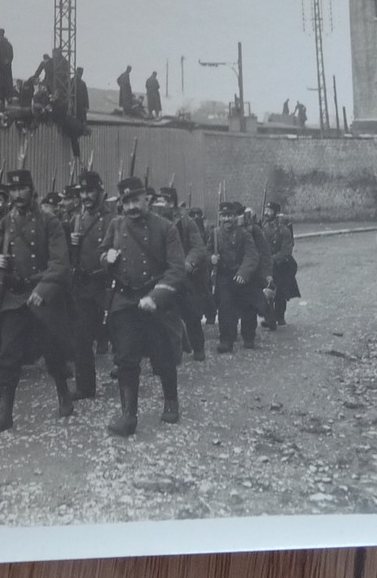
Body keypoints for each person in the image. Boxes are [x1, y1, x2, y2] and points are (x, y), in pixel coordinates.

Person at [0, 168, 73, 432]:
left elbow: (60, 264)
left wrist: (42, 291)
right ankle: (5, 414)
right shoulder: (5, 222)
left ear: (32, 190)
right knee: (7, 354)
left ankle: (63, 393)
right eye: (13, 190)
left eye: (22, 189)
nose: (18, 195)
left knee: (52, 350)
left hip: (43, 295)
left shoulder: (49, 221)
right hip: (15, 297)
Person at [100, 178, 188, 436]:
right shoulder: (115, 225)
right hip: (126, 300)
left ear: (146, 199)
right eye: (125, 202)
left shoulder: (166, 228)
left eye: (135, 200)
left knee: (163, 356)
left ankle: (171, 400)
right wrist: (107, 258)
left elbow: (176, 270)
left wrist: (156, 297)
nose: (131, 207)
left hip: (155, 300)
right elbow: (102, 252)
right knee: (126, 358)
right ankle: (129, 415)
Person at [67, 169, 114, 400]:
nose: (86, 196)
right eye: (83, 191)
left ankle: (128, 383)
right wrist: (72, 244)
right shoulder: (76, 219)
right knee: (81, 338)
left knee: (119, 334)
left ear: (100, 191)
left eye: (90, 190)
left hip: (107, 284)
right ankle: (86, 387)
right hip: (85, 286)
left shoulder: (112, 217)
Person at [151, 187, 210, 361]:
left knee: (190, 313)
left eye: (166, 201)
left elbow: (199, 247)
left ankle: (198, 346)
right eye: (158, 201)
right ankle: (169, 352)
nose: (162, 205)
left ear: (173, 203)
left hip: (183, 276)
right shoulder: (153, 223)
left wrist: (188, 262)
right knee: (162, 316)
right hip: (162, 276)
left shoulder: (186, 222)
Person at [212, 201, 262, 351]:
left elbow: (252, 256)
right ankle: (226, 340)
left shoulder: (244, 234)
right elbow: (206, 251)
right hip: (224, 276)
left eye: (230, 216)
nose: (227, 219)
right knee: (225, 307)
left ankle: (248, 337)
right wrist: (211, 258)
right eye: (224, 216)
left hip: (242, 276)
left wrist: (243, 273)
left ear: (235, 217)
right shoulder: (215, 234)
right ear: (220, 217)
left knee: (247, 307)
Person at [260, 200, 300, 326]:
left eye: (269, 211)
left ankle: (280, 316)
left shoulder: (284, 230)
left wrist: (272, 259)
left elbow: (286, 251)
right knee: (267, 290)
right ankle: (269, 317)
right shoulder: (263, 228)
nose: (266, 213)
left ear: (276, 213)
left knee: (281, 292)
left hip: (281, 266)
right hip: (267, 265)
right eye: (265, 211)